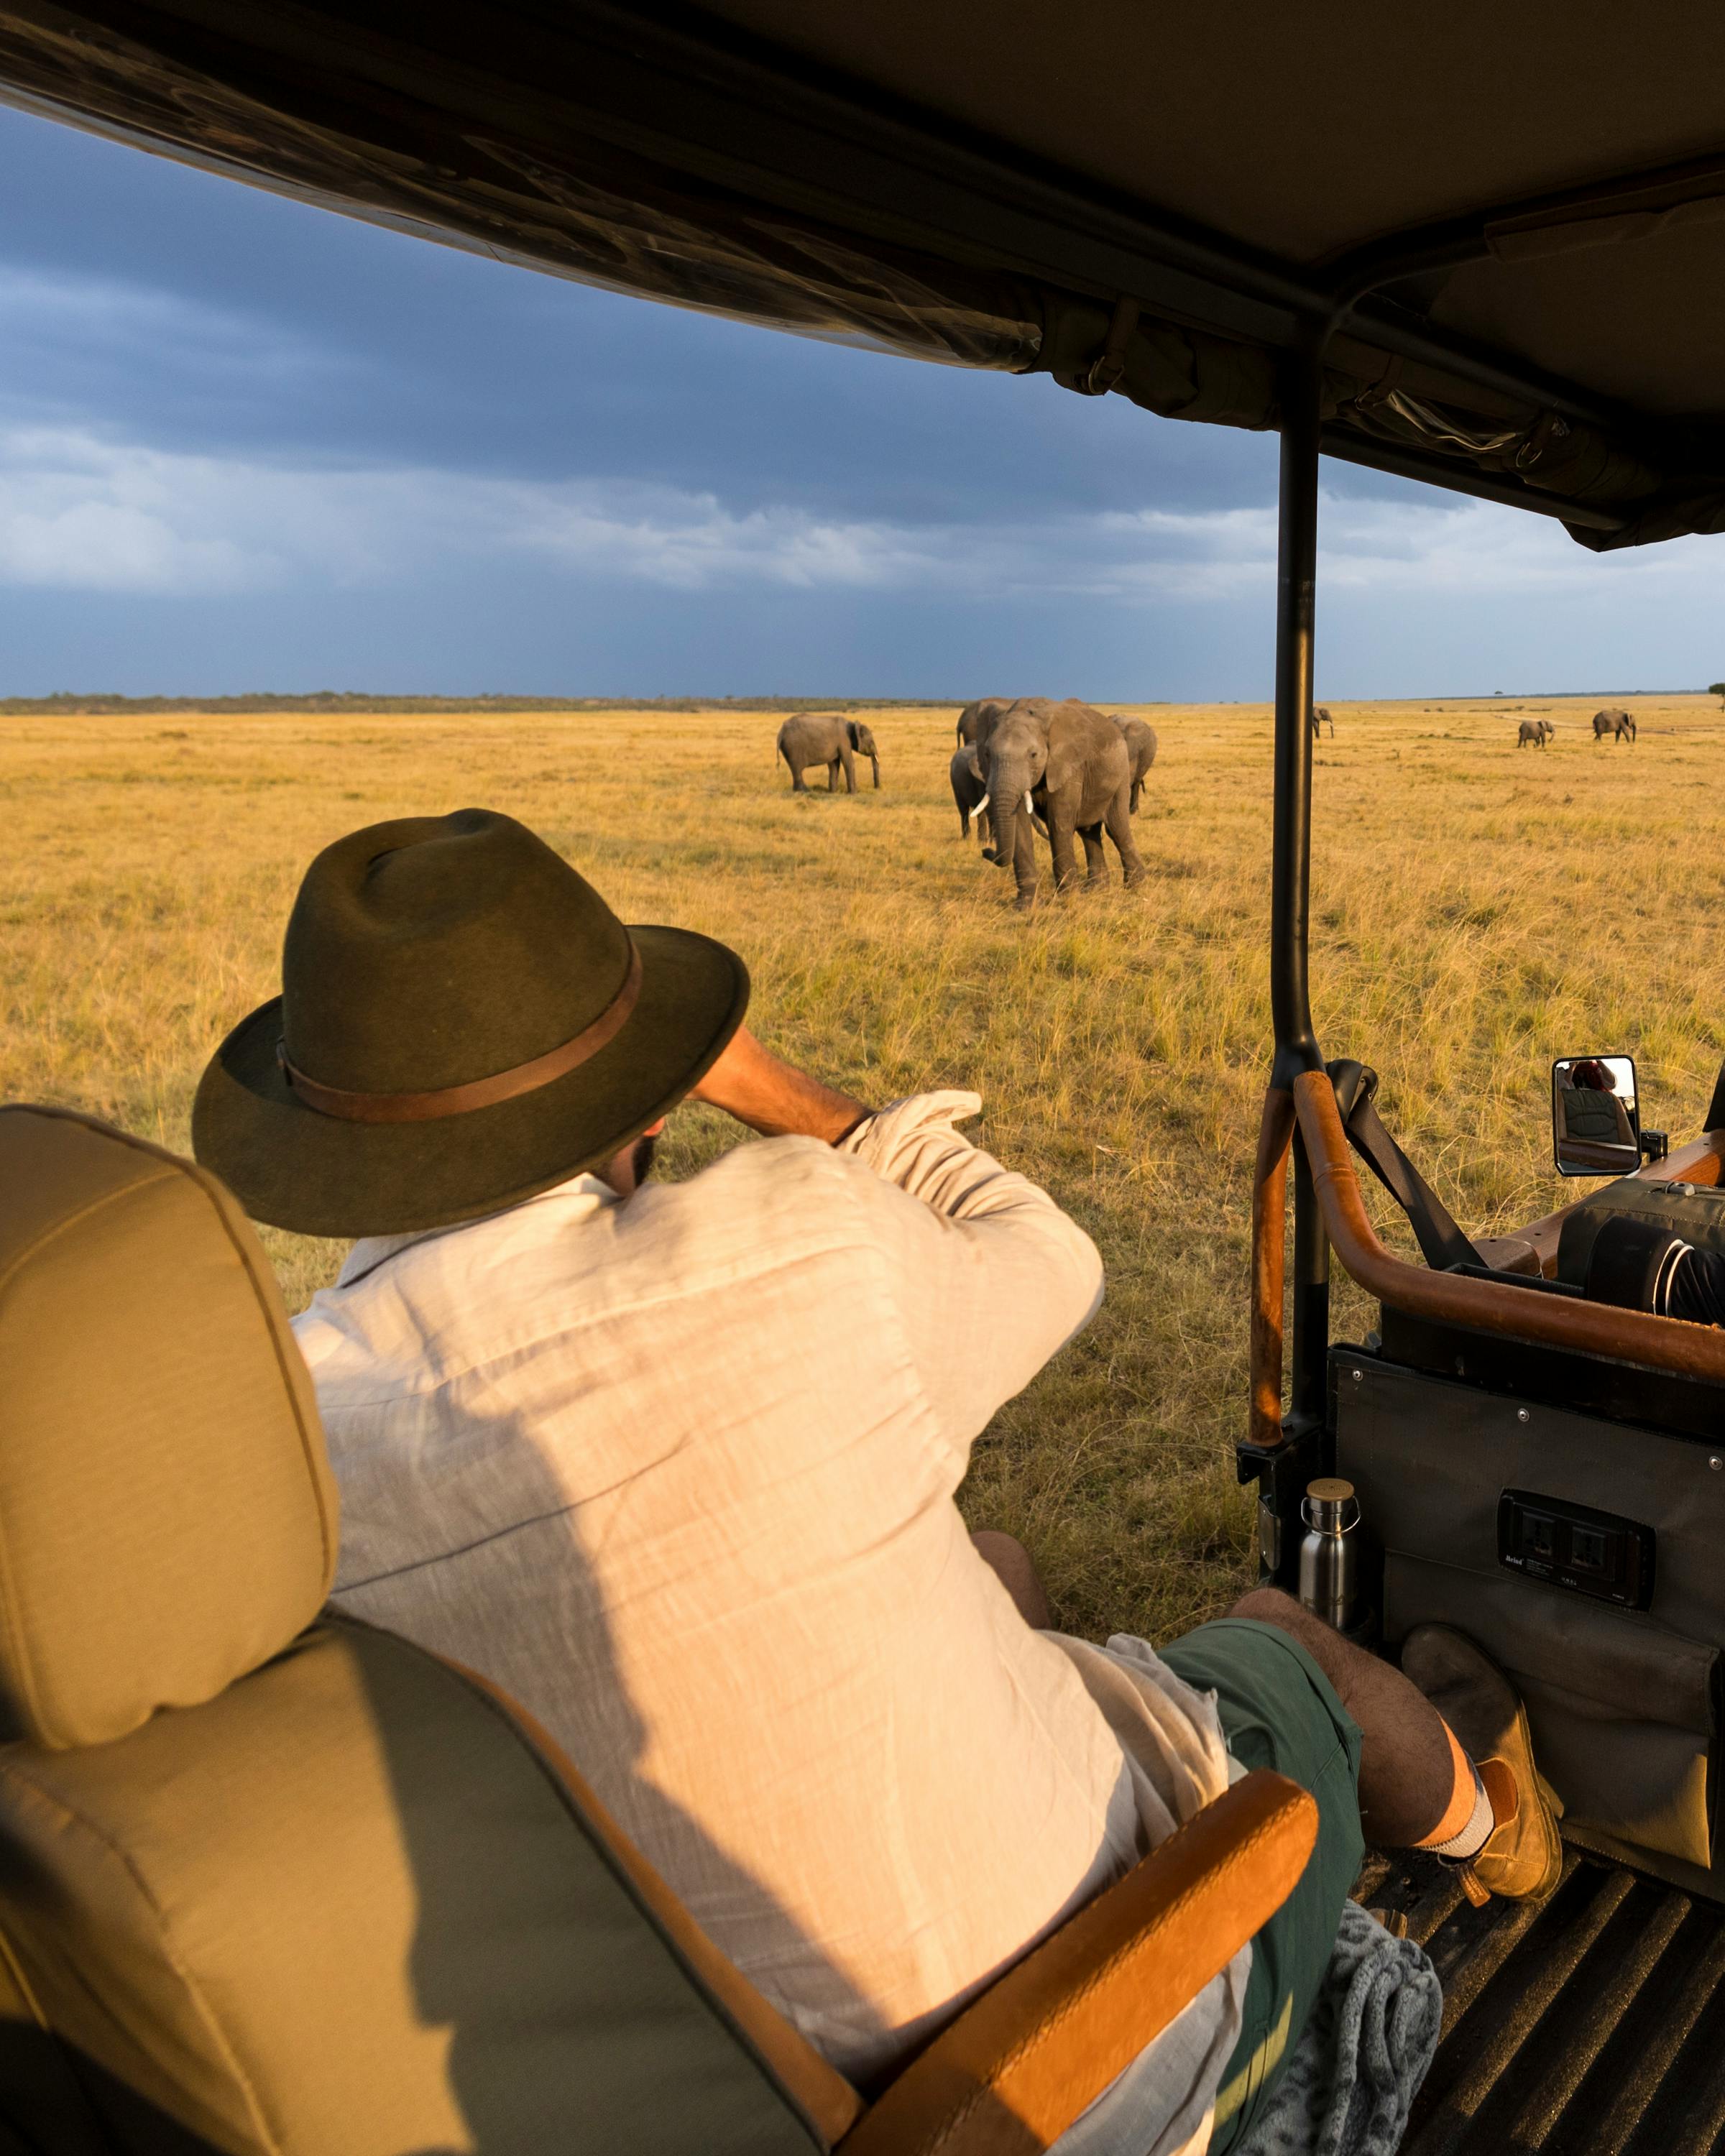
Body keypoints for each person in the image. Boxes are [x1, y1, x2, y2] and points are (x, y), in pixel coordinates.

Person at [194, 808, 1559, 2155]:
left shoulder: (288, 1454)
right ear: (651, 1091)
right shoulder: (786, 1236)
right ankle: (1496, 1828)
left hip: (739, 2089)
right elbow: (1051, 1255)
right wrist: (780, 1093)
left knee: (999, 1565)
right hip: (1104, 2057)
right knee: (1272, 1637)